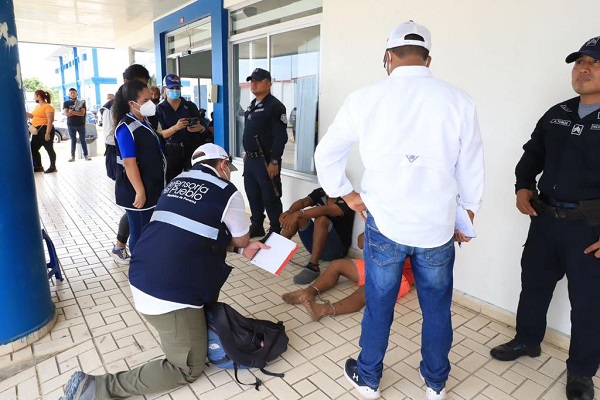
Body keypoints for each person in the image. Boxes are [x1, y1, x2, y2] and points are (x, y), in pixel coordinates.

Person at [313, 21, 484, 400]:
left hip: (386, 224)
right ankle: (436, 384)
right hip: (437, 227)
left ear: (388, 56)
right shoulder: (458, 100)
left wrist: (347, 194)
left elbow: (326, 154)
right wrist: (467, 216)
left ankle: (369, 379)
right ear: (428, 58)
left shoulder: (364, 98)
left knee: (379, 302)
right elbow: (470, 166)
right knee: (437, 307)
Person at [59, 143, 268, 400]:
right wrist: (242, 247)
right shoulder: (227, 191)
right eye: (229, 168)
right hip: (168, 292)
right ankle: (98, 388)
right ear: (223, 165)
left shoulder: (176, 183)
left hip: (142, 273)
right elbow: (242, 238)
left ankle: (193, 332)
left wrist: (237, 251)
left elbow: (194, 232)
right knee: (187, 367)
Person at [489, 36, 600, 400]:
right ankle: (527, 340)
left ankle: (582, 373)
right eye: (580, 62)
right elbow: (532, 153)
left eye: (595, 63)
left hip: (590, 229)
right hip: (545, 220)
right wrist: (522, 186)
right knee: (534, 285)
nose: (584, 69)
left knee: (589, 304)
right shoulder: (557, 112)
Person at [282, 233, 414, 321]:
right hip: (375, 265)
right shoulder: (384, 218)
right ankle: (308, 292)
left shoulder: (413, 229)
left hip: (400, 275)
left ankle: (324, 310)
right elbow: (361, 243)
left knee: (369, 288)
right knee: (337, 265)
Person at [103, 64, 151, 265]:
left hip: (138, 166)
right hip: (121, 161)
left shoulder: (141, 117)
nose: (145, 89)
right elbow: (111, 139)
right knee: (133, 207)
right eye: (140, 85)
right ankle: (121, 245)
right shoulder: (115, 112)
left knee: (138, 211)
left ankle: (129, 247)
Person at [113, 80, 166, 253]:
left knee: (147, 230)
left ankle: (145, 265)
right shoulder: (125, 127)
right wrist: (140, 191)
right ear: (131, 103)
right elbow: (129, 163)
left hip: (150, 185)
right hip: (136, 190)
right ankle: (138, 270)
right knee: (140, 231)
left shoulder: (144, 121)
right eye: (145, 101)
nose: (150, 104)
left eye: (151, 99)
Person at [242, 68, 288, 237]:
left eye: (258, 80)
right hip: (252, 159)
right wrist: (248, 152)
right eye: (251, 80)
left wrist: (275, 160)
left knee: (270, 196)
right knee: (253, 194)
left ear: (268, 83)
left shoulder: (275, 106)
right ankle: (257, 225)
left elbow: (280, 136)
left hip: (266, 159)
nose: (253, 83)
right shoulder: (253, 104)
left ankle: (276, 229)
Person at [279, 187, 355, 284]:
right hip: (316, 246)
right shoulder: (321, 192)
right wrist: (289, 213)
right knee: (296, 215)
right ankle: (279, 249)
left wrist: (299, 214)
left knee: (321, 218)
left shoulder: (348, 197)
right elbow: (303, 202)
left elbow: (325, 210)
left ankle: (313, 267)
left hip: (336, 251)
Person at [156, 73, 209, 183]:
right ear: (165, 89)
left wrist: (199, 128)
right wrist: (175, 128)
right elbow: (160, 134)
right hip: (172, 151)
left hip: (192, 149)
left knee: (195, 181)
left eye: (178, 88)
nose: (175, 90)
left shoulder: (189, 106)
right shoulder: (160, 109)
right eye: (172, 88)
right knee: (173, 183)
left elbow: (204, 127)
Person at [26, 89, 57, 173]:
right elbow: (33, 116)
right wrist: (24, 112)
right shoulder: (37, 107)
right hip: (36, 131)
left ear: (38, 96)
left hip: (45, 129)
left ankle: (53, 167)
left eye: (34, 96)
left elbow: (50, 120)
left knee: (49, 148)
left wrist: (47, 133)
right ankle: (39, 166)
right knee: (33, 149)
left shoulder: (48, 107)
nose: (34, 97)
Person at [63, 87, 90, 161]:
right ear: (69, 94)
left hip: (81, 124)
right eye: (71, 93)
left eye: (74, 92)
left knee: (83, 140)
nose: (72, 94)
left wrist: (72, 112)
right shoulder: (66, 103)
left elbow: (82, 113)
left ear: (76, 93)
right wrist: (76, 112)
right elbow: (67, 114)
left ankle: (86, 155)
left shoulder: (81, 102)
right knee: (73, 140)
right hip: (71, 124)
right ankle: (72, 156)